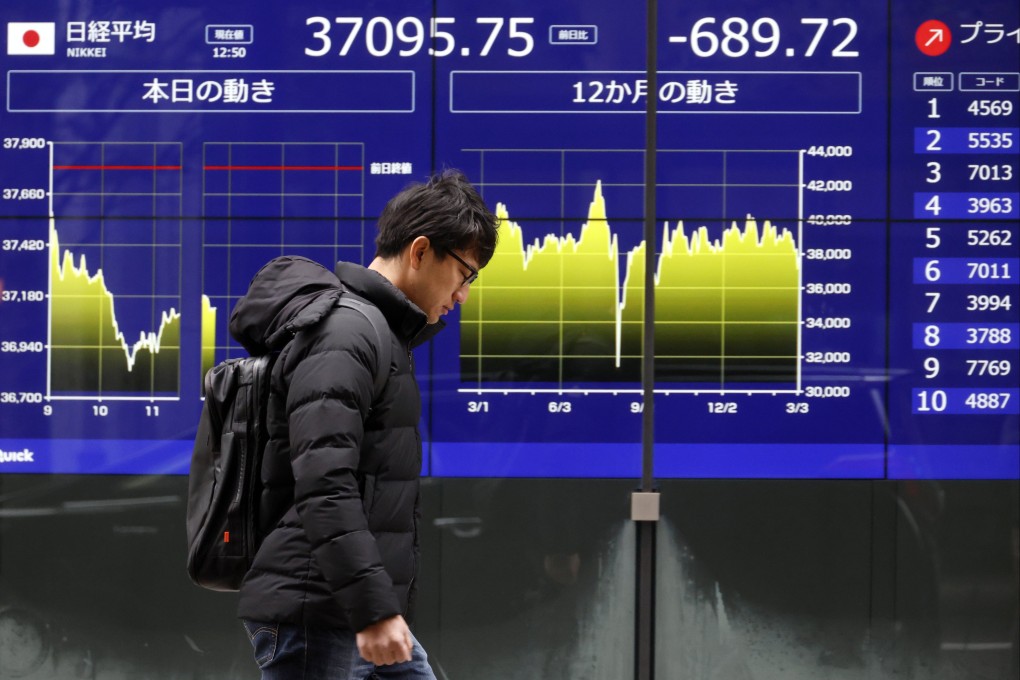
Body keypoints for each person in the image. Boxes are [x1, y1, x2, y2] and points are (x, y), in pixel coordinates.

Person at [230, 170, 499, 679]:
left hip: (354, 608)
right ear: (420, 251)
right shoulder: (347, 333)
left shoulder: (378, 333)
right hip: (325, 613)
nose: (463, 294)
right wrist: (371, 608)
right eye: (466, 273)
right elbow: (325, 482)